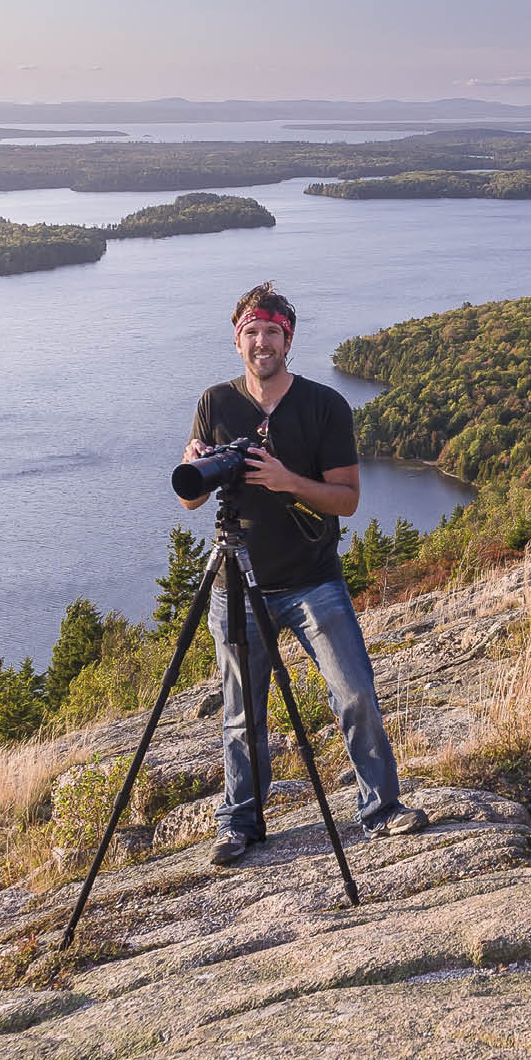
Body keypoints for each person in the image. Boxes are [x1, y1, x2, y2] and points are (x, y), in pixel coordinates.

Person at [181, 281, 427, 865]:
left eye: (272, 332)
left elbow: (347, 500)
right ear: (236, 339)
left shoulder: (324, 406)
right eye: (251, 332)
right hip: (237, 587)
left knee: (355, 692)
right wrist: (191, 469)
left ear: (288, 339)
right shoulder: (215, 402)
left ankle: (382, 809)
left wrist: (287, 480)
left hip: (314, 580)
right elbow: (192, 500)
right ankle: (240, 823)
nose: (261, 342)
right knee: (242, 713)